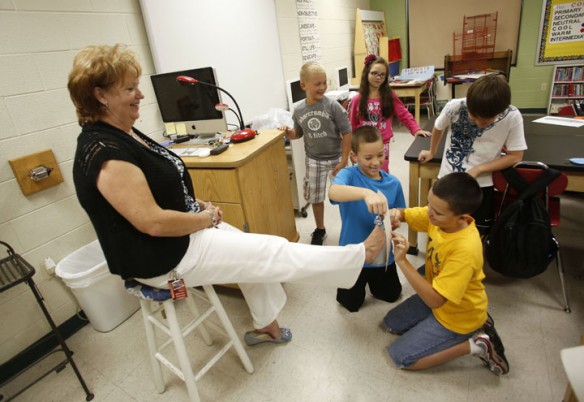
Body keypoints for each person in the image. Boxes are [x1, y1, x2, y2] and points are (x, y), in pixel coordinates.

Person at [67, 44, 386, 346]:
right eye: (129, 89)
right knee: (270, 251)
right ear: (100, 95)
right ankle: (360, 256)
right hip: (164, 257)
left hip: (184, 234)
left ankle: (267, 328)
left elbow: (158, 191)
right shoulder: (105, 152)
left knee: (254, 260)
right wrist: (203, 218)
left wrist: (197, 205)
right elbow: (153, 222)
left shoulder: (123, 132)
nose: (140, 95)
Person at [384, 172, 509, 375]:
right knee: (391, 323)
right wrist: (396, 214)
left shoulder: (465, 249)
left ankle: (479, 344)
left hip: (456, 314)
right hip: (442, 295)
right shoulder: (440, 216)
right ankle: (481, 319)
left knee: (401, 357)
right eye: (429, 205)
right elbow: (408, 214)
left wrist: (402, 260)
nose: (429, 214)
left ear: (461, 215)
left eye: (437, 212)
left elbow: (435, 300)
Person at [418, 74, 527, 236]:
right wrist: (432, 151)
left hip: (480, 186)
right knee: (439, 224)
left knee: (474, 231)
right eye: (472, 116)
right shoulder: (455, 106)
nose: (475, 122)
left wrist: (479, 169)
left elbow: (515, 156)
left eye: (483, 122)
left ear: (500, 112)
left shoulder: (512, 116)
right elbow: (438, 126)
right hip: (449, 180)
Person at [328, 126, 405, 312]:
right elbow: (334, 192)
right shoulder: (349, 175)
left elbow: (401, 210)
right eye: (368, 158)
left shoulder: (393, 183)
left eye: (380, 155)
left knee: (391, 295)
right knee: (350, 304)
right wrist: (366, 193)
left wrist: (396, 216)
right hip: (353, 251)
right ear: (354, 156)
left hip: (382, 252)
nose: (376, 162)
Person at [279, 61, 352, 245]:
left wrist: (344, 160)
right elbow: (298, 132)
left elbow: (347, 132)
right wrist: (289, 133)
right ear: (304, 85)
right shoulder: (299, 110)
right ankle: (320, 229)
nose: (323, 87)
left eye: (324, 82)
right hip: (314, 160)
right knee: (316, 198)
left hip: (336, 159)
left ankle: (350, 228)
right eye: (317, 83)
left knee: (345, 197)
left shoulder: (333, 106)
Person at [348, 55, 431, 173]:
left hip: (382, 144)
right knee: (364, 173)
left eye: (382, 75)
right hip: (363, 145)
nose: (378, 77)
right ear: (366, 73)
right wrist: (352, 148)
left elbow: (404, 114)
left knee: (382, 171)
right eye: (374, 73)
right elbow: (352, 125)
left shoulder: (389, 96)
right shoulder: (357, 99)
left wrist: (416, 129)